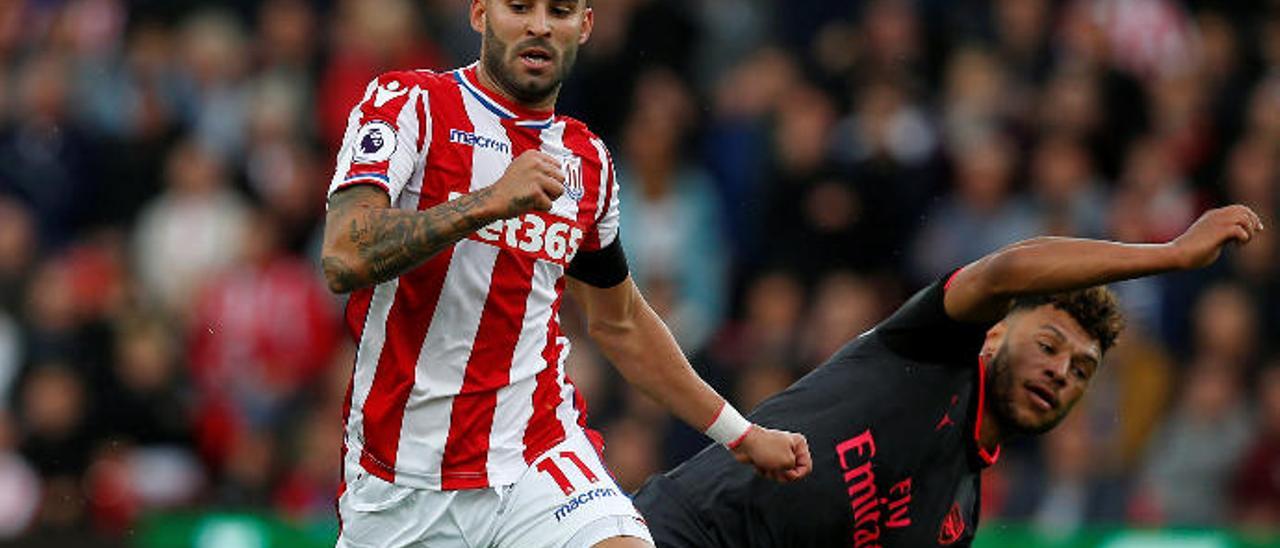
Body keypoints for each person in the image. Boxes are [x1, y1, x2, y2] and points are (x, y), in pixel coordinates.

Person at [318, 2, 811, 547]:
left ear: (585, 25)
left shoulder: (587, 161)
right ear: (480, 13)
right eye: (519, 7)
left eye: (559, 10)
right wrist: (487, 203)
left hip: (537, 457)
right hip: (402, 485)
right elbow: (344, 255)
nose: (539, 25)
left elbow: (619, 322)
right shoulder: (411, 105)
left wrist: (740, 435)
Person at [634, 205, 1266, 547]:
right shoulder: (930, 351)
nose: (1060, 371)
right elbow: (1007, 270)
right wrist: (1169, 254)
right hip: (672, 536)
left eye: (1081, 370)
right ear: (994, 333)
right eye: (1049, 344)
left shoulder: (958, 520)